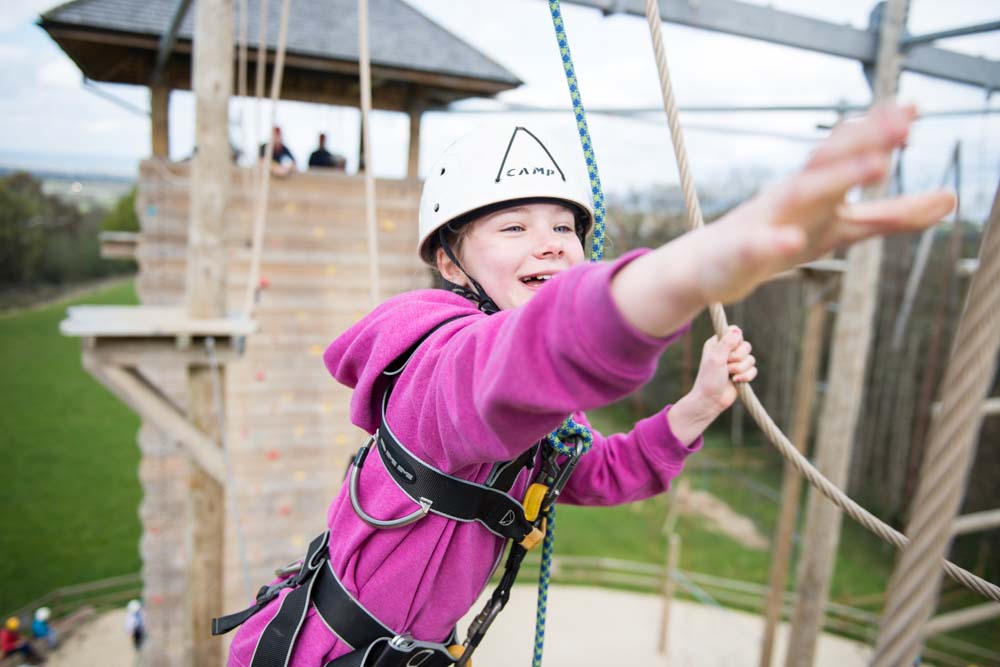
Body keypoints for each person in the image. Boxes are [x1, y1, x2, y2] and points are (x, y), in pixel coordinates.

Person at [221, 105, 954, 667]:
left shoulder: (532, 417)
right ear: (450, 263)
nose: (550, 242)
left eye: (565, 228)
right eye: (513, 227)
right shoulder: (435, 370)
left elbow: (596, 470)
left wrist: (694, 407)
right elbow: (530, 353)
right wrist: (689, 271)